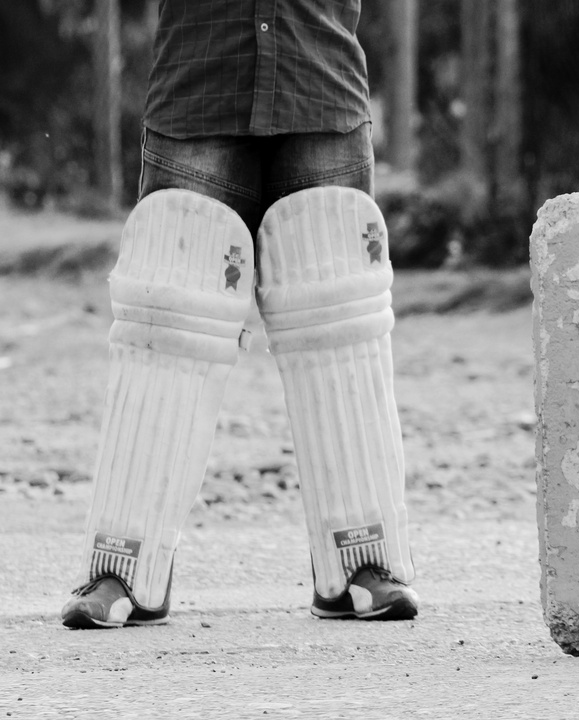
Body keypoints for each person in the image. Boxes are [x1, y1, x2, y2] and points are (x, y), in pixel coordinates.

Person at [61, 0, 418, 628]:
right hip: (199, 89)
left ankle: (363, 561)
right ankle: (125, 565)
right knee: (164, 325)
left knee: (340, 325)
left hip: (320, 82)